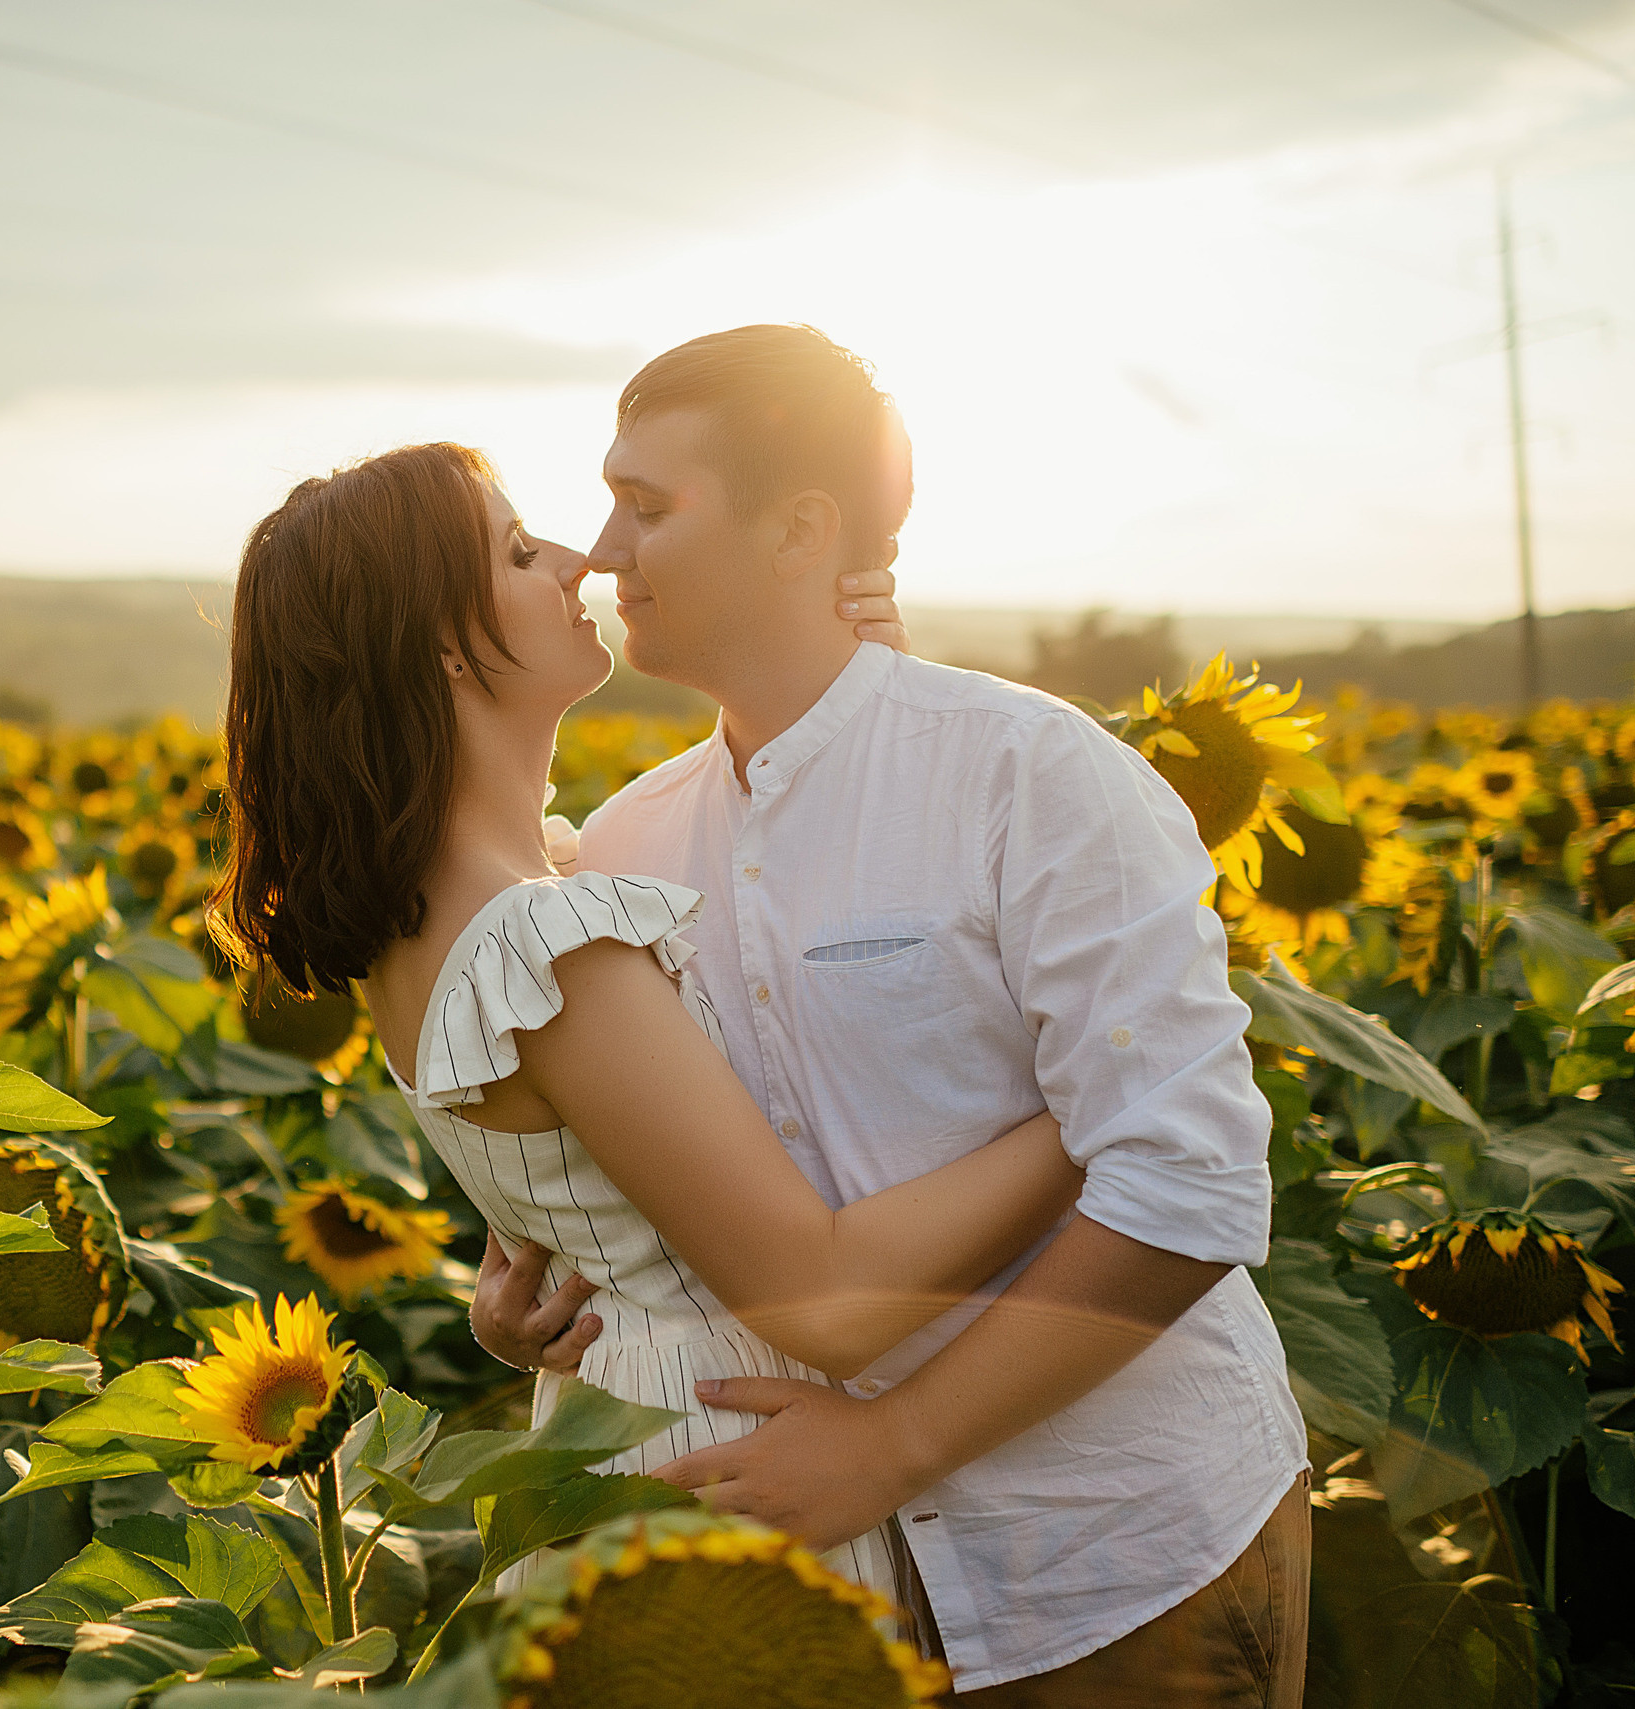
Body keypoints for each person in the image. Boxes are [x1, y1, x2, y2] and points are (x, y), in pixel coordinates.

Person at [479, 325, 1310, 1706]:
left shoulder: (1029, 773)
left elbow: (1189, 1184)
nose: (602, 549)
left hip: (1109, 1559)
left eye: (648, 505)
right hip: (824, 1592)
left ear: (800, 529)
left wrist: (892, 1443)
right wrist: (536, 1295)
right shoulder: (626, 844)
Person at [208, 438, 1089, 1620]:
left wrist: (856, 702)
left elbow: (577, 1201)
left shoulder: (446, 914)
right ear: (441, 644)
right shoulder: (548, 947)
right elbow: (821, 1301)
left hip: (621, 1434)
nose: (574, 558)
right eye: (515, 551)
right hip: (713, 1464)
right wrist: (1089, 1109)